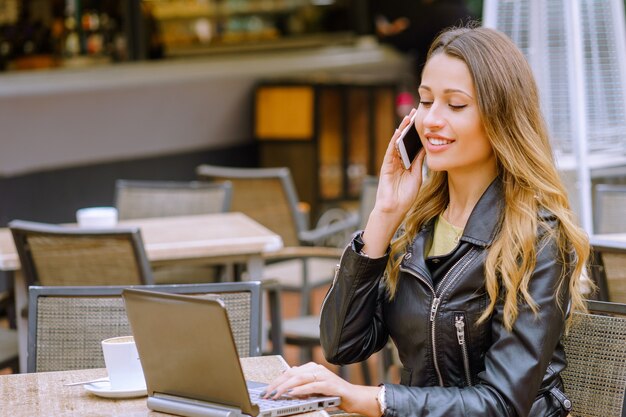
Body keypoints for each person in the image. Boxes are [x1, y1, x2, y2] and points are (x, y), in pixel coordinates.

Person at [261, 25, 591, 417]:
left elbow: (502, 404)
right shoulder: (418, 225)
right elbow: (342, 345)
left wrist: (371, 399)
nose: (431, 120)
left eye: (455, 105)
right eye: (425, 100)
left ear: (501, 117)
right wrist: (383, 216)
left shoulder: (538, 237)